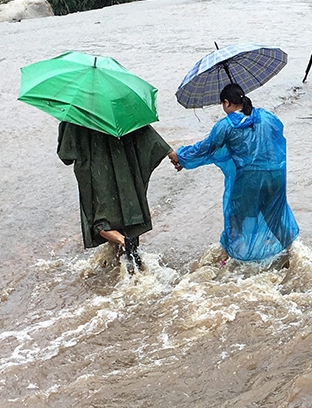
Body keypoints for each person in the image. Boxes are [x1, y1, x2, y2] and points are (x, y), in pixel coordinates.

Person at [176, 83, 299, 263]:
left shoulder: (225, 126)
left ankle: (225, 260)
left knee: (235, 217)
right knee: (273, 214)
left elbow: (205, 148)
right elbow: (278, 133)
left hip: (250, 178)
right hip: (276, 176)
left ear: (226, 102)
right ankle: (294, 253)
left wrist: (180, 156)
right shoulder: (266, 116)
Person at [57, 122, 180, 270]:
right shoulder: (119, 104)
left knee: (99, 222)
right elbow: (145, 132)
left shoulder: (74, 116)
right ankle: (132, 260)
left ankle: (123, 242)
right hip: (124, 168)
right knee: (128, 215)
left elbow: (66, 156)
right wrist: (171, 153)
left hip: (95, 174)